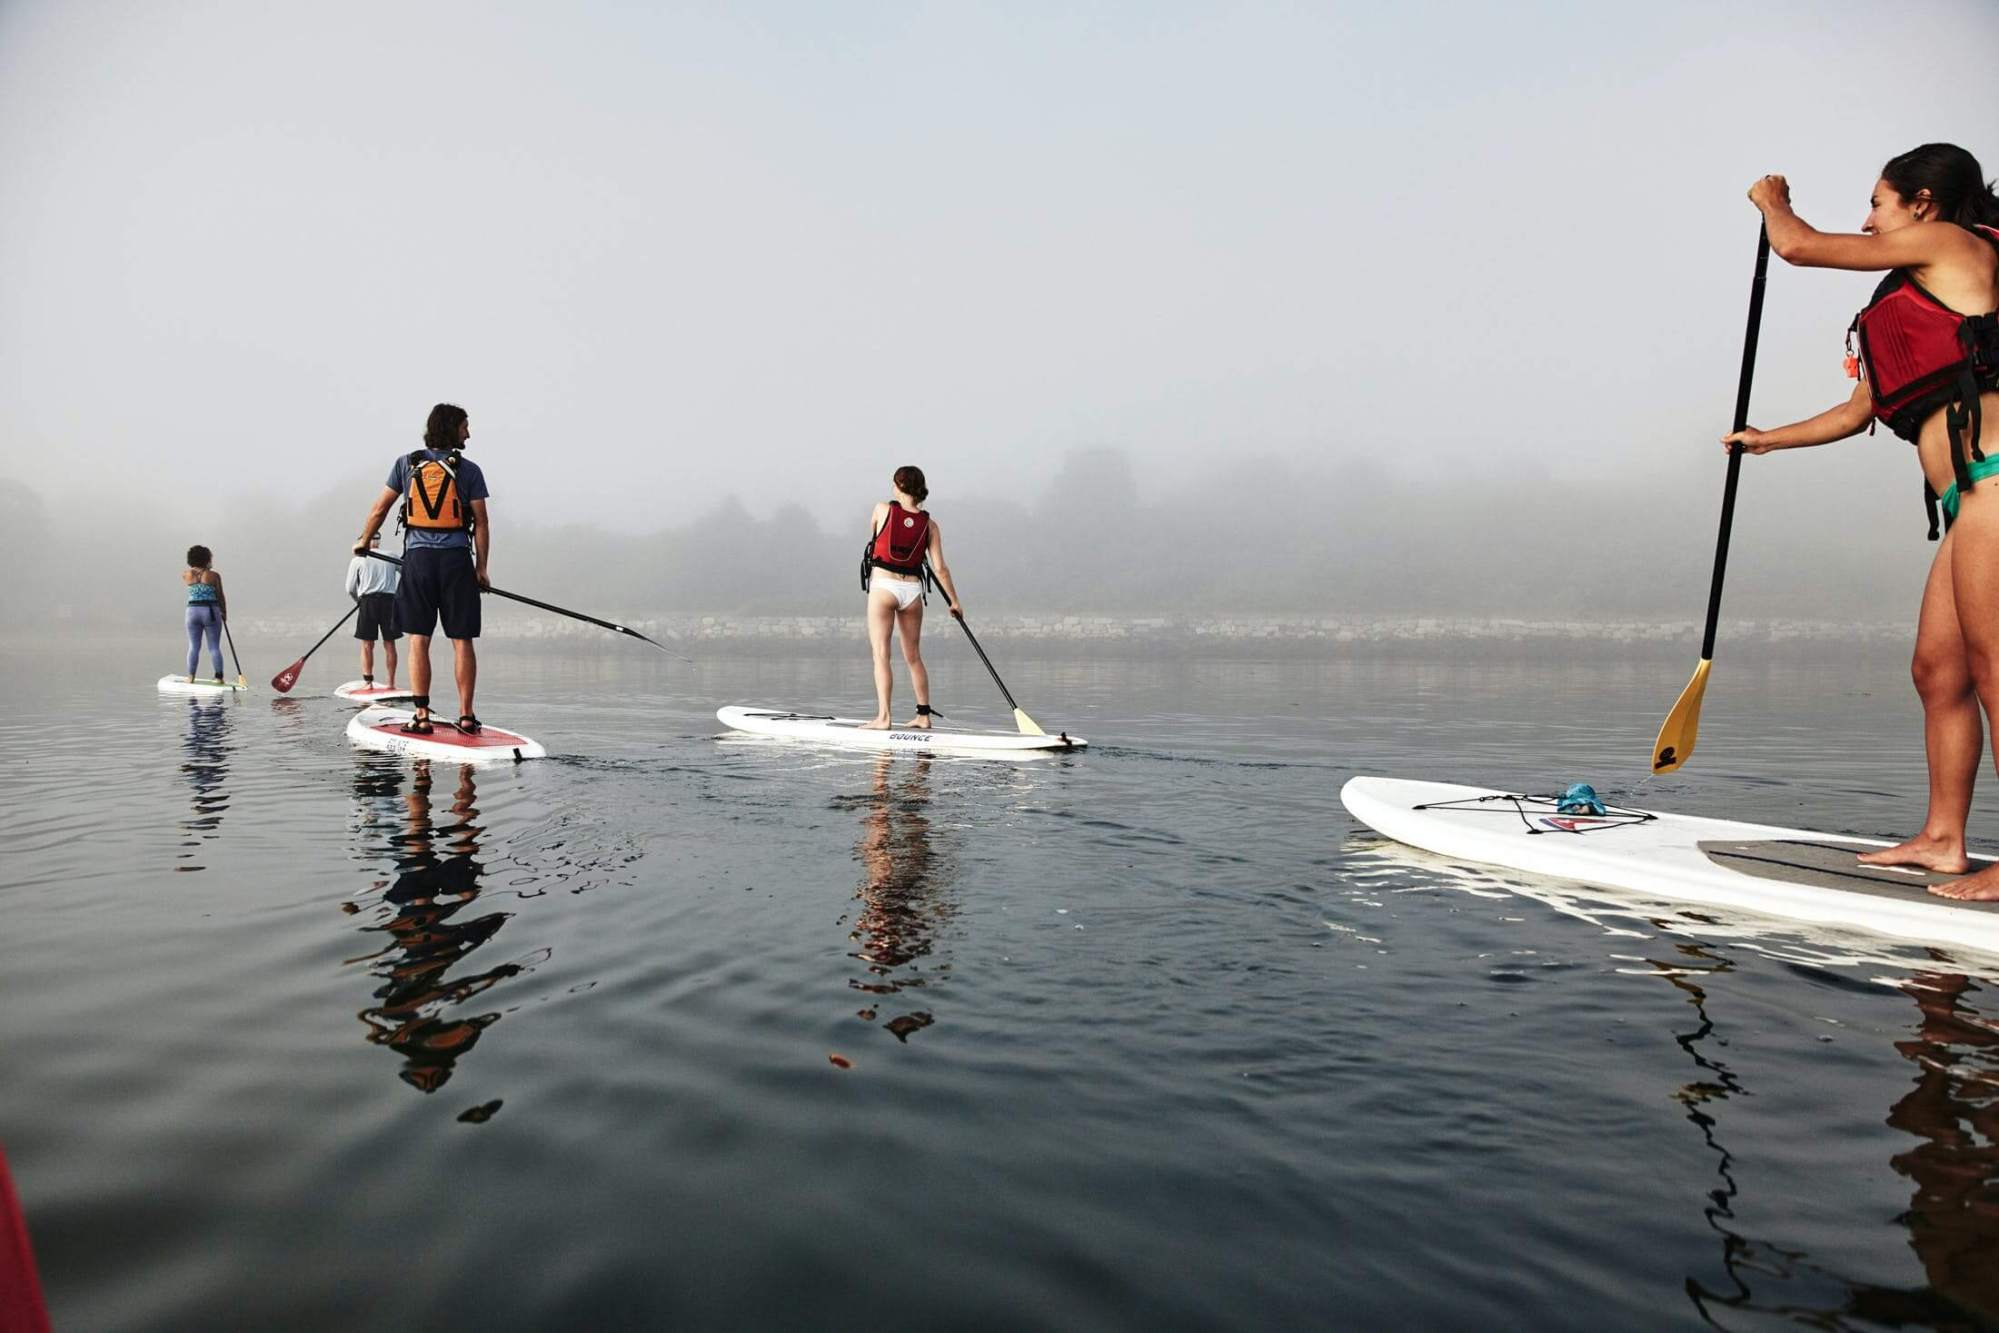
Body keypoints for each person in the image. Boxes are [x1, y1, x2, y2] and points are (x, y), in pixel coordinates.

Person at [1728, 145, 1999, 898]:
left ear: (1920, 202)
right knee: (1936, 671)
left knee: (1994, 670)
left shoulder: (1951, 242)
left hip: (1997, 484)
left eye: (1875, 204)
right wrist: (1765, 438)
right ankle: (1943, 839)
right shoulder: (1906, 291)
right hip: (1967, 501)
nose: (1866, 219)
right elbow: (1859, 411)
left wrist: (1770, 200)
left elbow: (1797, 245)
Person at [353, 404, 490, 735]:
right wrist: (481, 569)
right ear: (450, 428)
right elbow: (482, 523)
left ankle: (422, 716)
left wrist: (363, 541)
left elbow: (379, 508)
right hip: (457, 562)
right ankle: (467, 716)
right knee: (462, 640)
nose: (468, 433)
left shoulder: (406, 464)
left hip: (419, 562)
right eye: (464, 427)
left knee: (418, 639)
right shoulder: (469, 470)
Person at [860, 465, 962, 730]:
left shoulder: (882, 509)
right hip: (912, 593)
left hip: (884, 586)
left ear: (899, 486)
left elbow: (873, 536)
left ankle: (884, 718)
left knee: (881, 654)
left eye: (894, 483)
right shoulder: (930, 525)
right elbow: (940, 568)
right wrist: (954, 601)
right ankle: (923, 716)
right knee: (914, 656)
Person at [345, 531, 402, 690]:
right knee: (390, 643)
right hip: (389, 602)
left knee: (367, 644)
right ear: (378, 541)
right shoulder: (392, 556)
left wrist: (359, 601)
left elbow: (350, 588)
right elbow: (407, 573)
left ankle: (368, 683)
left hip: (368, 602)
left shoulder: (358, 559)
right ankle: (391, 684)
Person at [181, 544, 227, 682]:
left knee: (194, 646)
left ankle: (190, 677)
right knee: (214, 647)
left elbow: (197, 581)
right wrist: (224, 612)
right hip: (210, 611)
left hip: (192, 612)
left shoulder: (186, 575)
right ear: (206, 559)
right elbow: (220, 595)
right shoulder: (214, 575)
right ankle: (219, 677)